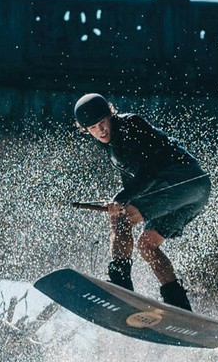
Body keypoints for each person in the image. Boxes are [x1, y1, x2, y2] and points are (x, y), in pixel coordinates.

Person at [73, 92, 208, 311]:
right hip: (193, 194)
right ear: (85, 130)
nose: (101, 131)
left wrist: (120, 201)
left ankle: (121, 287)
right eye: (93, 128)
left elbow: (150, 170)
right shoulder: (110, 145)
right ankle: (180, 306)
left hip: (182, 182)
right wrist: (121, 200)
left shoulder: (130, 125)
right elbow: (133, 181)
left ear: (111, 115)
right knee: (147, 245)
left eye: (103, 122)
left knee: (122, 219)